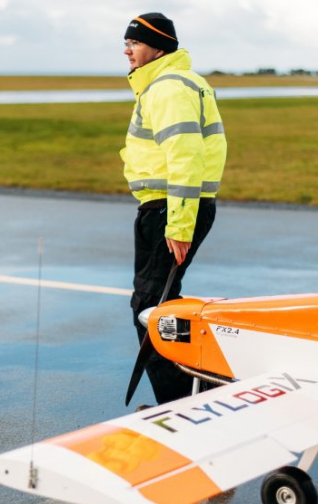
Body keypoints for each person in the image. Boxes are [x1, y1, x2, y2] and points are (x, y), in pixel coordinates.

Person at [121, 12, 227, 404]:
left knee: (150, 308)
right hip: (169, 207)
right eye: (127, 42)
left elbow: (186, 156)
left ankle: (182, 403)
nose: (127, 50)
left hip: (170, 208)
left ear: (159, 48)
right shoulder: (180, 82)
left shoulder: (167, 87)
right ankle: (196, 389)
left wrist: (179, 225)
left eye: (135, 42)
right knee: (162, 303)